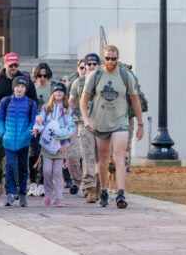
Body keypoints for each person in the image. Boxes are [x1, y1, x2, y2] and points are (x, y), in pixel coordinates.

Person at [80, 45, 144, 209]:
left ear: (118, 58)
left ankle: (121, 193)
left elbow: (135, 100)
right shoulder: (95, 75)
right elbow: (84, 99)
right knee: (103, 159)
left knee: (119, 155)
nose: (110, 61)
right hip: (100, 121)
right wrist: (86, 119)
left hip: (120, 121)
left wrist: (140, 124)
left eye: (113, 58)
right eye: (107, 58)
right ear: (103, 58)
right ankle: (103, 191)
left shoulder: (125, 75)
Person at [0, 53, 30, 199]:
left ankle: (14, 185)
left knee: (16, 155)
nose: (14, 68)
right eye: (11, 65)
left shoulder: (25, 80)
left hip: (19, 124)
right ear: (5, 64)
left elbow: (32, 100)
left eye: (16, 65)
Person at [0, 76, 38, 207]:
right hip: (8, 141)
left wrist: (27, 134)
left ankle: (23, 194)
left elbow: (33, 122)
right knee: (10, 166)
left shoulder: (31, 103)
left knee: (23, 168)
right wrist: (3, 133)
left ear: (26, 89)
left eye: (22, 87)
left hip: (23, 141)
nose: (20, 89)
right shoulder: (5, 101)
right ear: (13, 87)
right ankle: (10, 193)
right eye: (17, 86)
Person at [32, 82, 76, 206]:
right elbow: (40, 121)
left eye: (61, 91)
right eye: (56, 91)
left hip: (60, 145)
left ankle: (59, 198)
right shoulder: (46, 108)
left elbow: (71, 128)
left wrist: (61, 134)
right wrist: (37, 128)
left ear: (64, 94)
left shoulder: (67, 110)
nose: (58, 93)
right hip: (47, 145)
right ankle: (48, 194)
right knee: (46, 171)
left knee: (57, 172)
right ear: (52, 93)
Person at [69, 55, 100, 202]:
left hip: (103, 124)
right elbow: (71, 102)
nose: (92, 66)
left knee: (101, 158)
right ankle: (90, 189)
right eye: (89, 64)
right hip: (85, 124)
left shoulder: (104, 80)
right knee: (88, 157)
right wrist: (73, 116)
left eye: (95, 64)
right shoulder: (78, 82)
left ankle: (100, 186)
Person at [27, 62, 55, 197]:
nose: (42, 78)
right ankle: (32, 183)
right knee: (33, 153)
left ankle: (43, 184)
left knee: (46, 155)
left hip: (48, 125)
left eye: (45, 75)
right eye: (39, 75)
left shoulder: (52, 88)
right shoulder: (32, 87)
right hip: (34, 125)